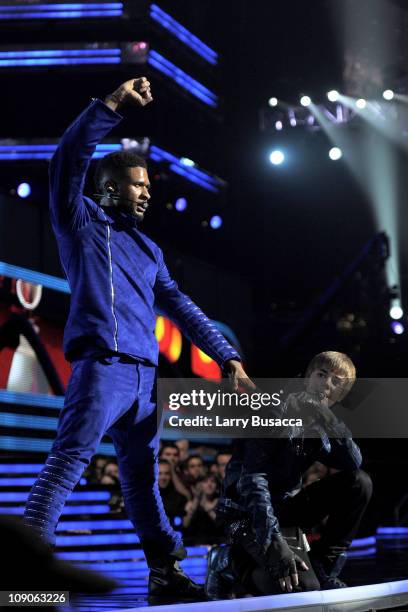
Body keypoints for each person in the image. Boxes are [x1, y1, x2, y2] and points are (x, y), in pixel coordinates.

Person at [23, 76, 252, 600]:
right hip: (102, 368)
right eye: (138, 183)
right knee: (66, 464)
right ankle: (22, 575)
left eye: (149, 186)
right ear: (109, 186)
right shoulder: (80, 220)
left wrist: (228, 358)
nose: (148, 191)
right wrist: (110, 107)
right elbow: (67, 160)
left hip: (144, 380)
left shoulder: (149, 250)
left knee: (143, 484)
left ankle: (164, 573)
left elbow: (184, 309)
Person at [206, 351, 372, 599]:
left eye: (336, 382)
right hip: (244, 513)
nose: (326, 384)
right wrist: (274, 543)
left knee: (359, 482)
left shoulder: (319, 424)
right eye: (321, 375)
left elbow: (352, 462)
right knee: (302, 590)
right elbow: (253, 482)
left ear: (339, 396)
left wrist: (329, 418)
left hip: (284, 509)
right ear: (307, 378)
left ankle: (322, 566)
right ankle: (227, 563)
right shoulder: (273, 410)